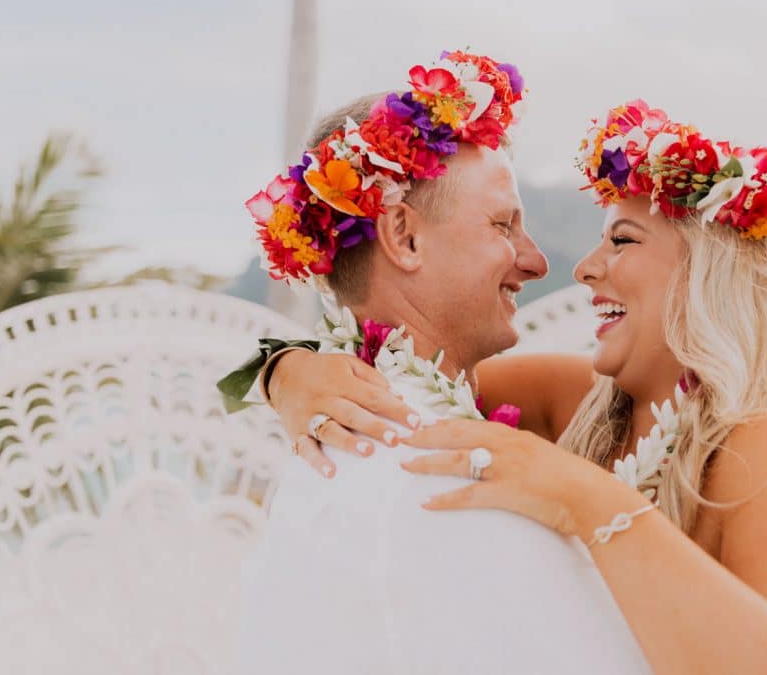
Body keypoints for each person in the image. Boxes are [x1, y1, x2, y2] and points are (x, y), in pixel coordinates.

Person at [235, 99, 767, 673]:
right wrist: (285, 371)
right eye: (502, 225)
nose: (575, 267)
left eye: (624, 239)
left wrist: (586, 496)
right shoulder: (583, 401)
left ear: (706, 276)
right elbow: (405, 379)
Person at [233, 52, 653, 674]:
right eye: (504, 225)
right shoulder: (447, 476)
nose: (538, 262)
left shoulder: (363, 436)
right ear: (403, 238)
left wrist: (277, 369)